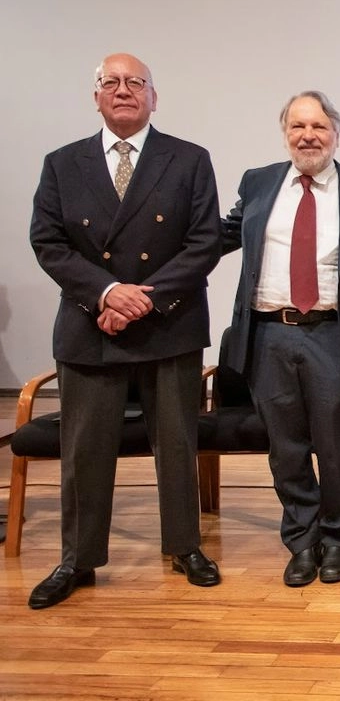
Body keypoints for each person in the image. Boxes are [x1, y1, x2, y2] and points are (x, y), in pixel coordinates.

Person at [27, 52, 222, 609]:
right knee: (84, 453)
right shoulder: (62, 163)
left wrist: (143, 300)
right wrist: (108, 294)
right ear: (95, 97)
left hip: (169, 324)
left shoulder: (188, 159)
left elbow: (203, 242)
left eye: (135, 82)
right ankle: (77, 558)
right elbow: (49, 243)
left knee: (177, 446)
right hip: (91, 328)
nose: (123, 90)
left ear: (154, 97)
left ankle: (185, 547)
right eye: (110, 82)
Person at [222, 91, 340, 587]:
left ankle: (338, 536)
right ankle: (301, 538)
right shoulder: (259, 183)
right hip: (269, 333)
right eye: (297, 127)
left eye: (318, 126)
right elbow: (224, 235)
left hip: (333, 334)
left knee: (335, 445)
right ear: (285, 133)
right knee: (286, 447)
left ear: (336, 133)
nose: (308, 136)